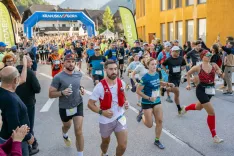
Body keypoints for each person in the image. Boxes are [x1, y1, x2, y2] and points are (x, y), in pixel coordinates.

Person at [181, 50, 224, 143]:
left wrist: (220, 72)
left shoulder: (214, 65)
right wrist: (188, 84)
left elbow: (219, 71)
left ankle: (185, 109)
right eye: (207, 55)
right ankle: (214, 136)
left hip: (211, 90)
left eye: (210, 54)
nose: (209, 56)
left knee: (198, 107)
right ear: (202, 56)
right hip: (201, 90)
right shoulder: (198, 67)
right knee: (211, 112)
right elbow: (188, 73)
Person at [88, 60, 129, 156]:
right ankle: (104, 153)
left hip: (120, 117)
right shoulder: (99, 87)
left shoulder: (121, 82)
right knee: (105, 143)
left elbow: (124, 96)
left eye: (115, 69)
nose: (114, 71)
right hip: (106, 120)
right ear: (105, 70)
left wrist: (125, 103)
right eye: (111, 69)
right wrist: (102, 112)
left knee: (123, 145)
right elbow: (90, 104)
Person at [49, 54, 84, 156]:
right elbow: (50, 94)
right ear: (63, 63)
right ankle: (64, 133)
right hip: (65, 107)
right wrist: (62, 93)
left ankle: (80, 154)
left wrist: (81, 88)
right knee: (67, 125)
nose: (71, 63)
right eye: (68, 61)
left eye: (73, 61)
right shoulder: (58, 77)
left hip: (78, 104)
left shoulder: (78, 74)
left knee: (78, 131)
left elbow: (76, 85)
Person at [136, 58, 175, 149]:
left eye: (155, 64)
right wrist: (148, 98)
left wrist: (167, 84)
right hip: (147, 102)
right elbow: (138, 91)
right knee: (149, 125)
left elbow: (158, 82)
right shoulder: (145, 77)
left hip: (157, 101)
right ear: (148, 66)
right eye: (152, 64)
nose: (154, 66)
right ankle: (142, 115)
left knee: (160, 121)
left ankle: (157, 140)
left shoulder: (157, 74)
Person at [0, 66, 35, 156]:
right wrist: (28, 136)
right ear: (16, 80)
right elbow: (14, 125)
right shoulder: (11, 100)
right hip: (16, 141)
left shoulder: (3, 91)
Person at [16, 56, 41, 155]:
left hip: (16, 103)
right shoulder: (29, 73)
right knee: (28, 125)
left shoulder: (13, 71)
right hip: (28, 103)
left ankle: (33, 142)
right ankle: (30, 148)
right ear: (25, 62)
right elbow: (37, 89)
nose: (32, 62)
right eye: (30, 61)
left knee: (20, 125)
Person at [162, 46, 186, 115]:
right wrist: (165, 69)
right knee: (177, 90)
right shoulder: (169, 59)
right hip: (172, 77)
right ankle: (164, 89)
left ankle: (179, 109)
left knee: (176, 94)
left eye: (179, 51)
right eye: (176, 51)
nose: (178, 52)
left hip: (178, 77)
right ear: (172, 51)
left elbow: (184, 65)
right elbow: (163, 65)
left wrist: (182, 68)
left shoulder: (181, 58)